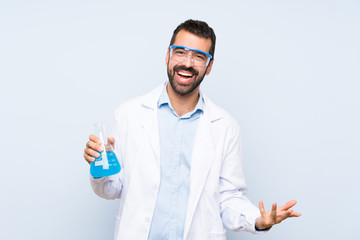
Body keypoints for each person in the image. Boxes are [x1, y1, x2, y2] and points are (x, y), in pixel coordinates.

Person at [83, 19, 301, 240]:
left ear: (209, 66)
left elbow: (229, 198)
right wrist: (98, 167)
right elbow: (110, 189)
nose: (187, 63)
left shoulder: (225, 126)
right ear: (167, 56)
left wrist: (258, 220)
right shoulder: (127, 114)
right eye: (180, 52)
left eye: (198, 56)